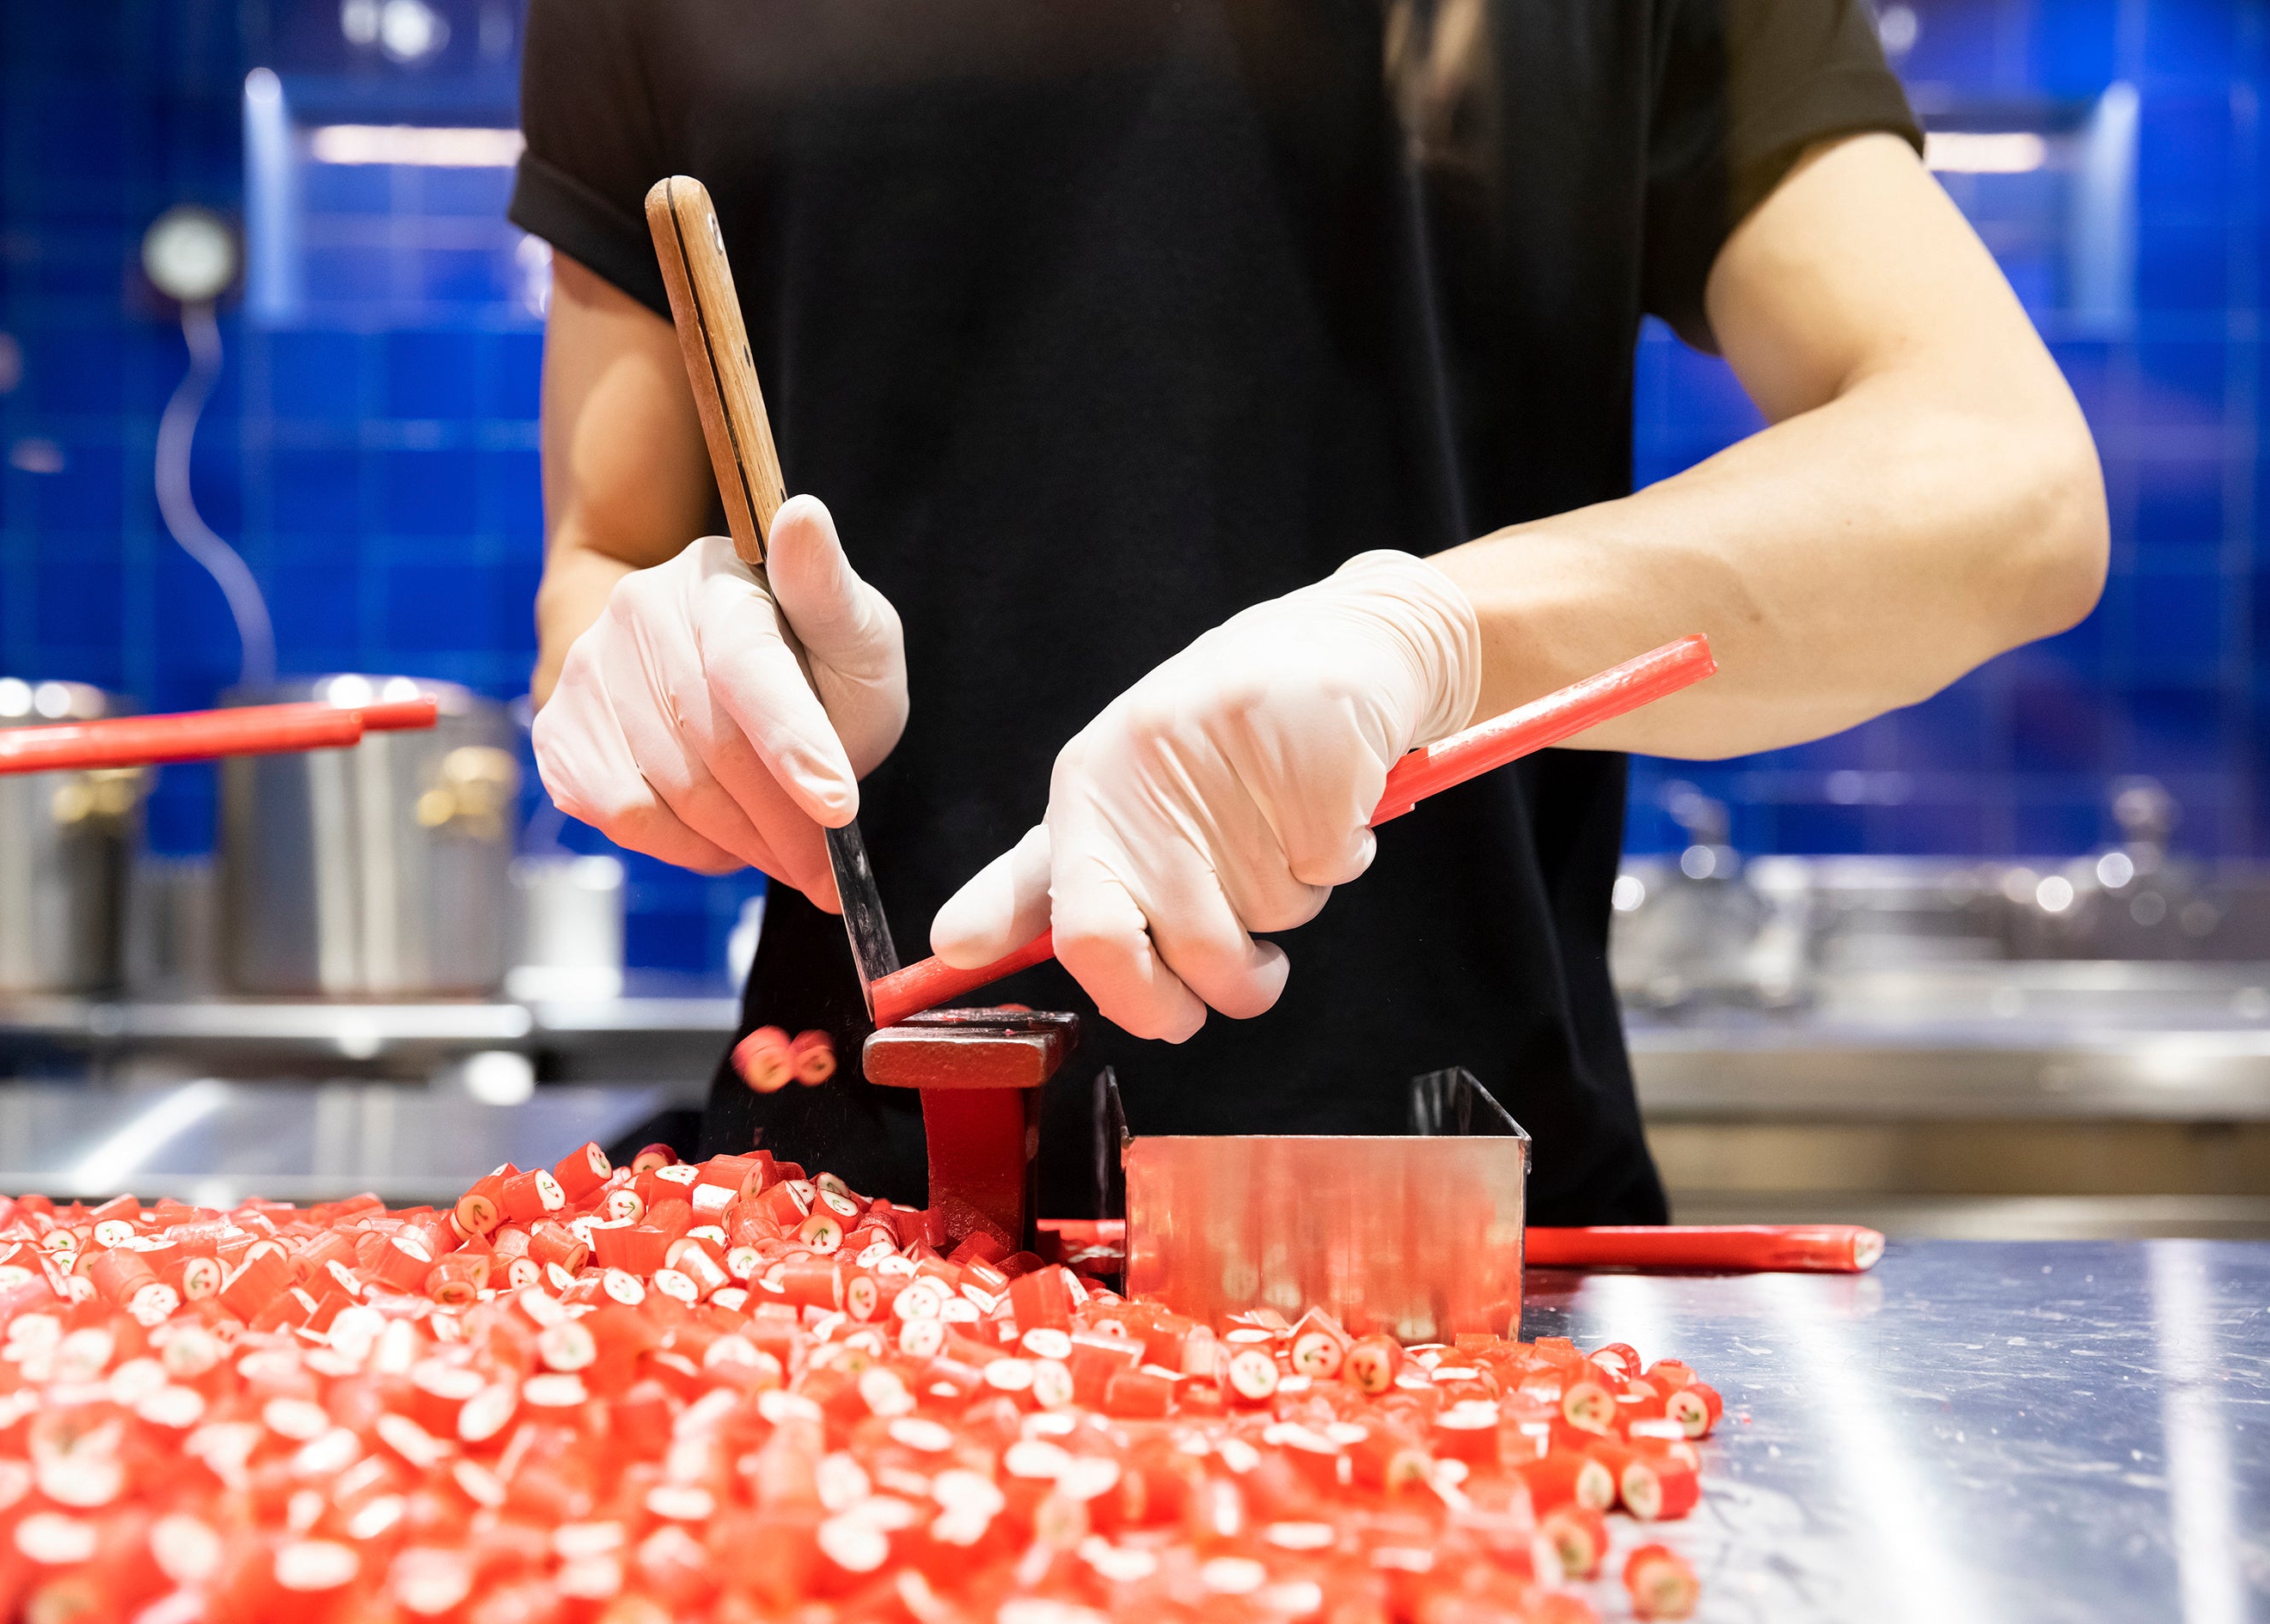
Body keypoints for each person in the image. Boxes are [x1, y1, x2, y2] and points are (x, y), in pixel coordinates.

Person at [509, 0, 2107, 1223]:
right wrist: (673, 667)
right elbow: (602, 558)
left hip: (1465, 1256)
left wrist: (1433, 639)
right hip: (837, 1265)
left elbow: (2008, 482)